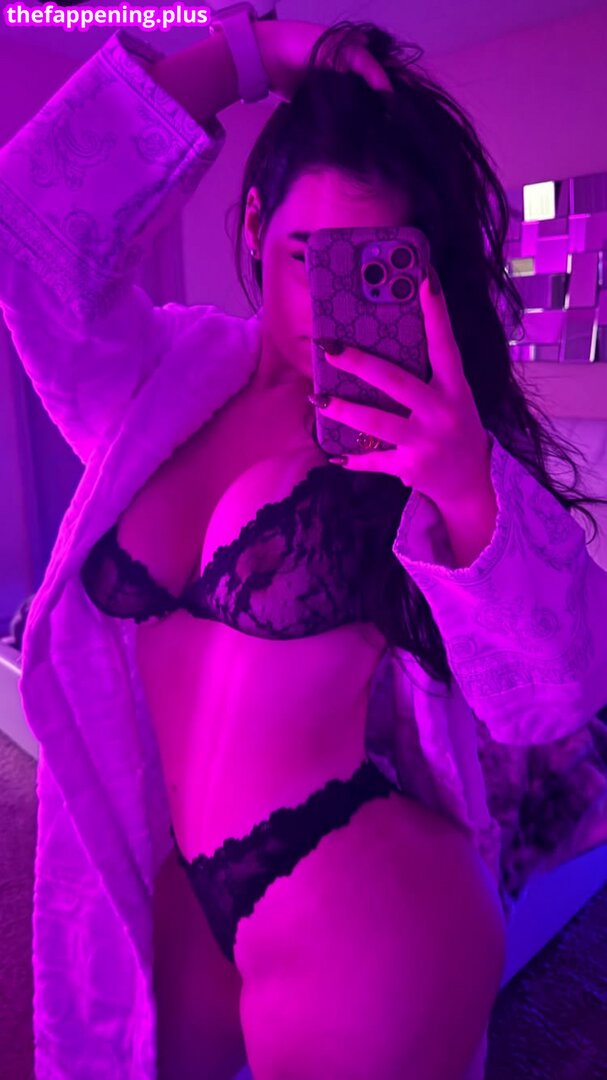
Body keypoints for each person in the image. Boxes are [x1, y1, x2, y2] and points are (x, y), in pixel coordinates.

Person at [1, 14, 607, 1080]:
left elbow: (559, 689)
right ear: (251, 226)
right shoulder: (165, 377)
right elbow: (26, 230)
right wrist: (243, 54)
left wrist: (466, 481)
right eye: (304, 257)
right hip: (181, 886)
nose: (332, 305)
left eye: (374, 264)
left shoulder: (417, 441)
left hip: (361, 909)